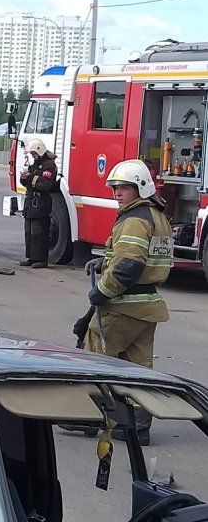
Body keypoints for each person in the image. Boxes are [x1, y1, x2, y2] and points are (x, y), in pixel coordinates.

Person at [84, 159, 172, 445]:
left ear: (141, 187)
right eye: (115, 187)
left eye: (124, 188)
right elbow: (136, 259)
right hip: (147, 307)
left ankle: (87, 416)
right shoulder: (156, 215)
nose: (117, 193)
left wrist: (102, 290)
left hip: (123, 306)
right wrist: (104, 261)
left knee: (95, 357)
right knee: (138, 368)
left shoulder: (134, 219)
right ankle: (137, 426)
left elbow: (129, 266)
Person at [19, 138, 57, 269]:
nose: (33, 156)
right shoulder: (34, 164)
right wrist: (23, 178)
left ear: (40, 152)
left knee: (39, 232)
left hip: (41, 202)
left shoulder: (49, 166)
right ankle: (31, 257)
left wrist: (30, 177)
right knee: (29, 231)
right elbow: (28, 181)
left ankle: (41, 259)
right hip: (31, 201)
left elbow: (45, 184)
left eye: (34, 154)